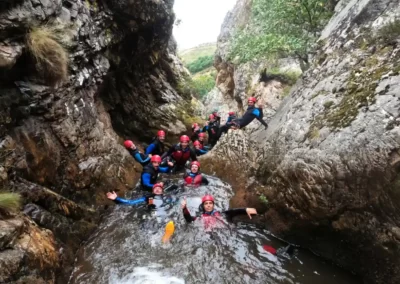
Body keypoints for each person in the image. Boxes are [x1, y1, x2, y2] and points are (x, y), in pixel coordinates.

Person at [181, 194, 257, 229]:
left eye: (210, 203)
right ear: (203, 206)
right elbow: (189, 219)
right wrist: (184, 208)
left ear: (213, 205)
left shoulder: (222, 214)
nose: (208, 205)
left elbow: (234, 211)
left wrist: (245, 210)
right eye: (206, 204)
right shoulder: (200, 217)